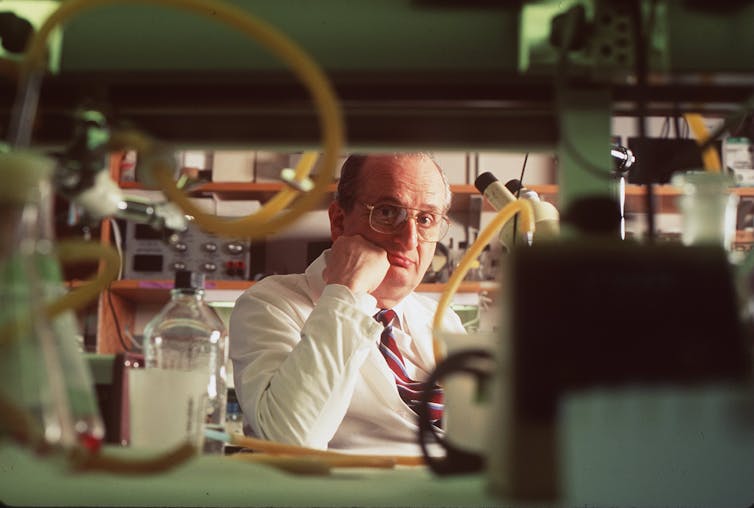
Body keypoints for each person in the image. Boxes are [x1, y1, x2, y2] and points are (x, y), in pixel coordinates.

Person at [229, 153, 466, 455]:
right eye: (388, 212)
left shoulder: (440, 319)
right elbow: (291, 444)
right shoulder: (271, 304)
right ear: (339, 221)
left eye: (425, 219)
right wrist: (348, 292)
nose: (409, 240)